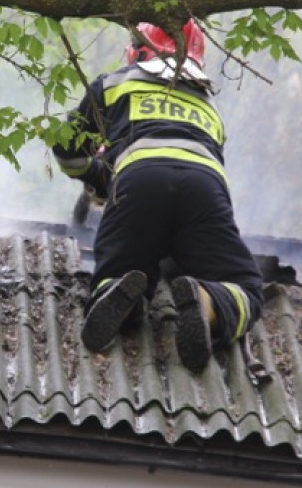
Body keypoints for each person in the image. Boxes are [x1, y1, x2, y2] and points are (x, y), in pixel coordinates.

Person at [52, 19, 264, 373]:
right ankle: (207, 303)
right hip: (204, 188)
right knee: (245, 288)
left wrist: (99, 177)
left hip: (138, 182)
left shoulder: (113, 84)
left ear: (137, 51)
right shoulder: (210, 106)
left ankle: (122, 295)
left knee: (118, 267)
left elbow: (65, 149)